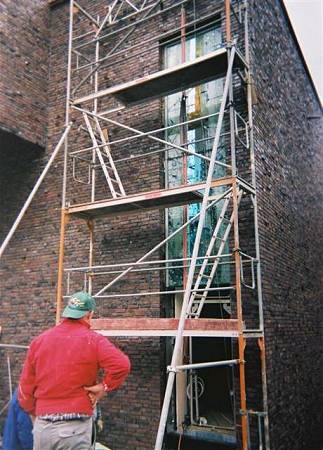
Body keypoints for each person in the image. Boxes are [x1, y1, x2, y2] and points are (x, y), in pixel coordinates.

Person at [18, 291, 130, 450]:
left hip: (42, 428)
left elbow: (25, 387)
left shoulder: (39, 341)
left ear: (67, 313)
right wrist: (104, 387)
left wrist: (34, 413)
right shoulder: (93, 340)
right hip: (75, 428)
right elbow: (122, 364)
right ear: (89, 315)